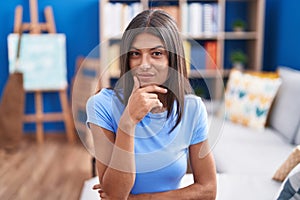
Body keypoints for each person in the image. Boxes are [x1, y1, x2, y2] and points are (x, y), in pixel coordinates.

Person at [86, 9, 217, 199]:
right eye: (135, 54)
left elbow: (208, 190)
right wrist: (127, 123)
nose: (144, 64)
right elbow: (115, 195)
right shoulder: (101, 106)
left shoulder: (192, 109)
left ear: (172, 60)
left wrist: (145, 199)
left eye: (156, 53)